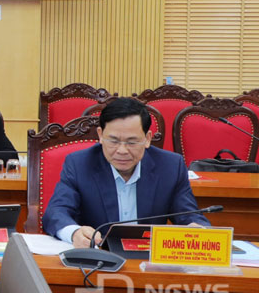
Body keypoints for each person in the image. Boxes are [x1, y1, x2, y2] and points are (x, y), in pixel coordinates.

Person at [42, 97, 210, 247]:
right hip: (99, 257)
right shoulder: (79, 164)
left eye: (132, 142)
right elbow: (56, 212)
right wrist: (74, 233)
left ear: (147, 139)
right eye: (113, 141)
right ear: (100, 135)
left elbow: (190, 216)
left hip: (148, 260)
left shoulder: (170, 166)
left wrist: (197, 228)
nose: (122, 150)